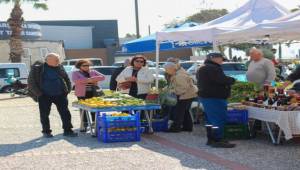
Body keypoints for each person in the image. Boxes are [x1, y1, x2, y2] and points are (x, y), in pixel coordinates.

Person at [27, 53, 77, 138]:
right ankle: (46, 132)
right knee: (44, 114)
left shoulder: (59, 66)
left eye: (58, 59)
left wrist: (67, 90)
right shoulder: (37, 68)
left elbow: (66, 78)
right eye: (56, 60)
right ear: (48, 60)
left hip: (60, 94)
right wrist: (39, 94)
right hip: (44, 95)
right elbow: (31, 82)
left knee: (65, 113)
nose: (58, 61)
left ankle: (68, 130)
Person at [197, 52, 236, 148]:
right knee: (218, 119)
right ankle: (218, 139)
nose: (222, 61)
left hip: (207, 97)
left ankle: (211, 139)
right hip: (214, 97)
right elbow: (221, 80)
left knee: (210, 120)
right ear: (213, 58)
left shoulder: (204, 67)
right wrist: (231, 80)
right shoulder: (212, 68)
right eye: (221, 59)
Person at [72, 60, 105, 132]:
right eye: (84, 65)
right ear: (79, 66)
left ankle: (94, 122)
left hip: (93, 93)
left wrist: (92, 79)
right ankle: (84, 124)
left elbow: (102, 77)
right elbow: (76, 81)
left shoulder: (93, 71)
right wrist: (89, 80)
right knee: (83, 109)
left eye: (88, 65)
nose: (86, 67)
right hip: (81, 93)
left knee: (94, 108)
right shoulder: (75, 73)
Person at [164, 62, 198, 133]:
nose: (165, 71)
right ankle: (187, 127)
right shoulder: (178, 73)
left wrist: (174, 92)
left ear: (171, 69)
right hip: (189, 94)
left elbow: (183, 88)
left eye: (166, 69)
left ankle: (175, 128)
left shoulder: (179, 75)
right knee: (185, 111)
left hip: (185, 95)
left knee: (178, 111)